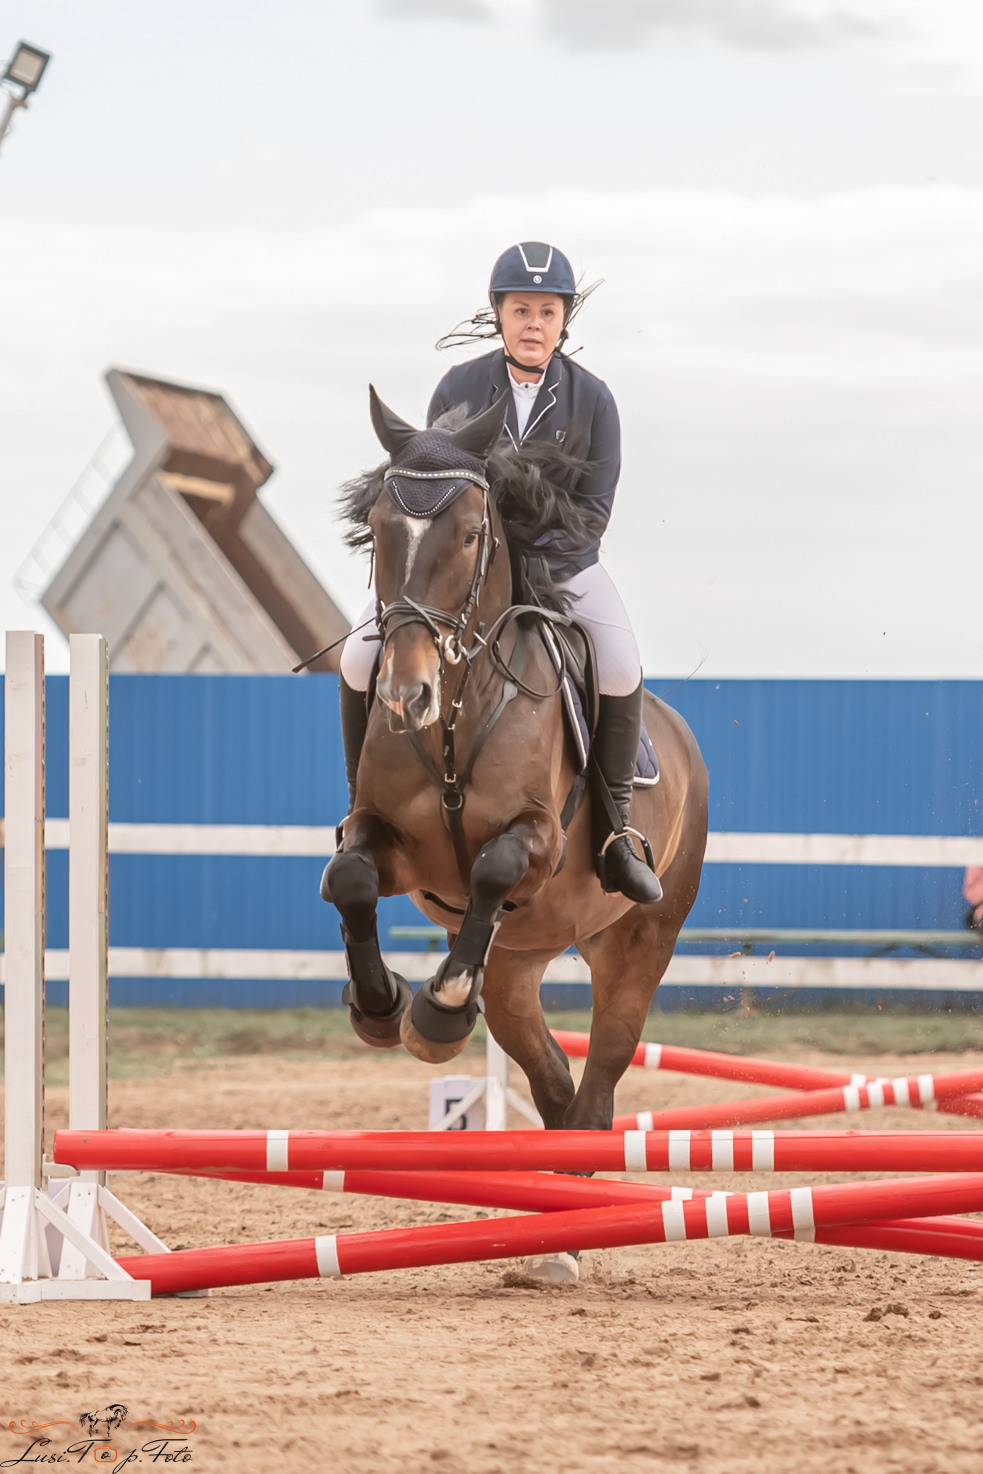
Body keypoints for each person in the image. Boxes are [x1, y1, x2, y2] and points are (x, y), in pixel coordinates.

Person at [338, 240, 661, 905]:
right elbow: (434, 492)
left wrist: (521, 563)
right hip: (461, 579)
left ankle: (616, 833)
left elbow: (593, 513)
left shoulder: (592, 400)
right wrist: (473, 568)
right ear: (499, 315)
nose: (533, 323)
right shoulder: (458, 387)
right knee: (355, 655)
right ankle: (358, 813)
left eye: (546, 311)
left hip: (563, 566)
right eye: (521, 310)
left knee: (621, 662)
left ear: (563, 320)